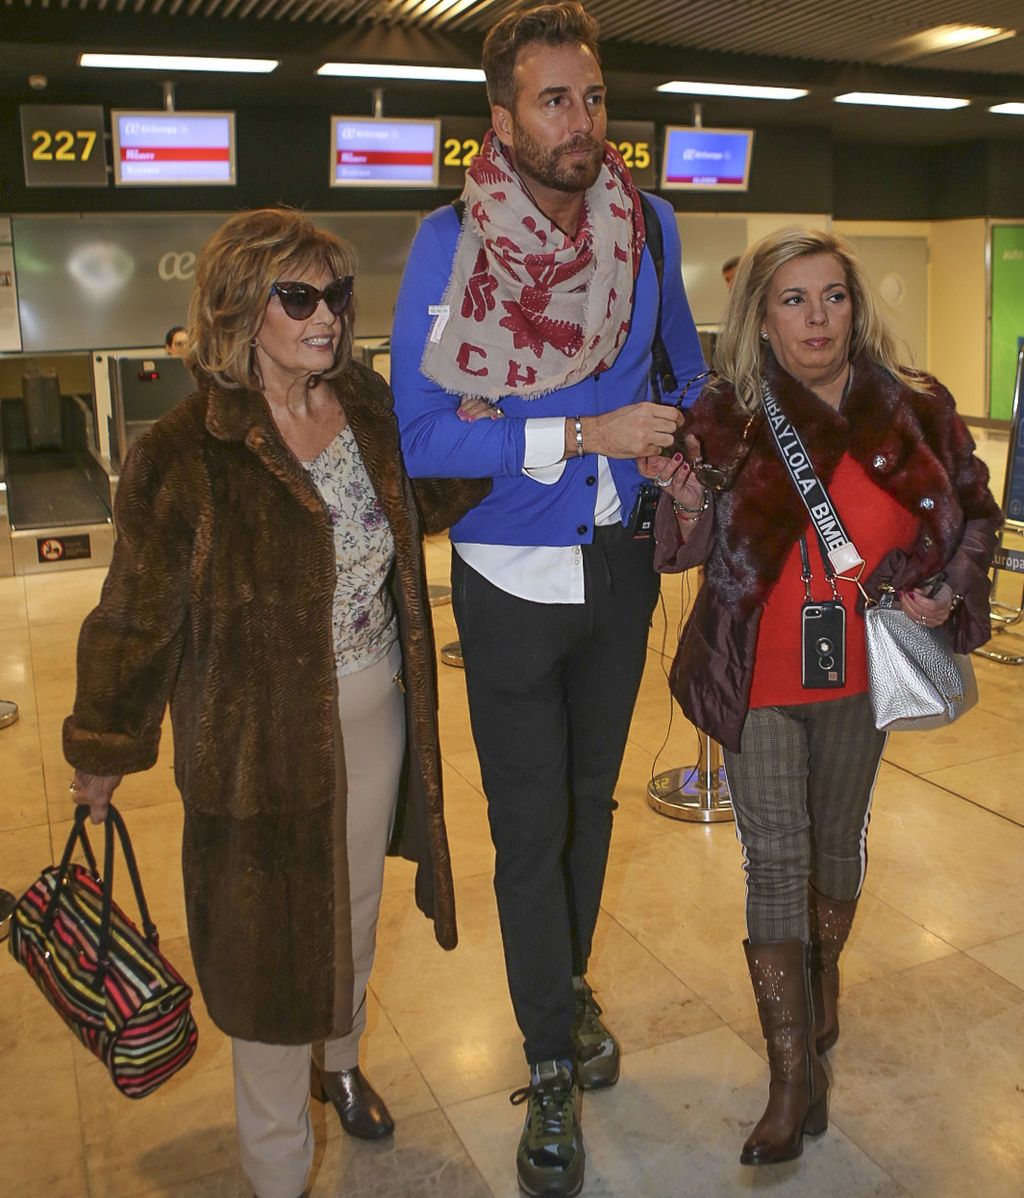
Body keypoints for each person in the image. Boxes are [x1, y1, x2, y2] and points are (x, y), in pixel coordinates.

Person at [64, 208, 457, 1198]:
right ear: (240, 307)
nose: (326, 317)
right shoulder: (183, 453)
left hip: (377, 714)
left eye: (335, 295)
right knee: (267, 956)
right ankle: (277, 1171)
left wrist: (491, 446)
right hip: (253, 740)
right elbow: (134, 615)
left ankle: (341, 1059)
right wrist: (106, 741)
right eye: (299, 297)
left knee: (354, 917)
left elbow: (418, 509)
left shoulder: (364, 406)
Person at [390, 4, 704, 1194]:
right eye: (554, 101)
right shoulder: (446, 245)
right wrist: (584, 431)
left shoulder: (652, 226)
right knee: (530, 834)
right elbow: (422, 438)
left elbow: (684, 369)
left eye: (594, 97)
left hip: (619, 566)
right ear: (502, 118)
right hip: (508, 578)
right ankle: (547, 1066)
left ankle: (564, 995)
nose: (582, 124)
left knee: (590, 804)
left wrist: (680, 452)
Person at [644, 227, 1001, 1167]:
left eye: (833, 296)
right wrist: (681, 495)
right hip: (757, 673)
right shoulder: (728, 413)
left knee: (838, 845)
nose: (817, 318)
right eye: (795, 299)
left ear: (856, 304)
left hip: (862, 671)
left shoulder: (915, 407)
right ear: (762, 314)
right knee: (775, 861)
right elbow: (683, 545)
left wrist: (949, 585)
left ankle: (819, 973)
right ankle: (791, 1071)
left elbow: (977, 512)